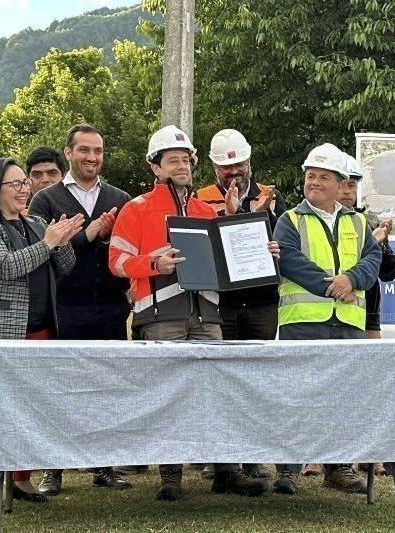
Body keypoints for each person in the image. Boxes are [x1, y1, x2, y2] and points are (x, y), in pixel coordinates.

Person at [108, 124, 273, 501]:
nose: (181, 166)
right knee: (168, 396)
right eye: (172, 160)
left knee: (218, 394)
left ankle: (226, 472)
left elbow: (231, 264)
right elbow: (116, 261)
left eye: (186, 159)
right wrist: (153, 263)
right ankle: (170, 476)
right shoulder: (136, 209)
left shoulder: (204, 210)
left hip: (209, 318)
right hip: (160, 318)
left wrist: (259, 249)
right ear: (155, 166)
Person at [0, 157, 83, 507]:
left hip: (42, 330)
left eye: (24, 183)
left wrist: (62, 241)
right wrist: (47, 243)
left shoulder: (34, 222)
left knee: (30, 409)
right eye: (15, 184)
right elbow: (3, 267)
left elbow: (64, 267)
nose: (24, 188)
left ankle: (21, 479)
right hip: (0, 334)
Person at [29, 124, 134, 495]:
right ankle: (53, 470)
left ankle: (103, 465)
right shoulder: (45, 200)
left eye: (98, 151)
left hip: (110, 307)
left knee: (107, 387)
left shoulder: (121, 198)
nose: (92, 158)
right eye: (84, 150)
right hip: (65, 308)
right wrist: (87, 235)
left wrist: (109, 240)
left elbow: (130, 250)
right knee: (60, 388)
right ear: (68, 152)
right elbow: (44, 248)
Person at [274, 143, 381, 494]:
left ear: (340, 184)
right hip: (303, 322)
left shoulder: (359, 221)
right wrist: (335, 286)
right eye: (310, 176)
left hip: (347, 324)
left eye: (323, 177)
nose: (314, 182)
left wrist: (352, 279)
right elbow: (290, 261)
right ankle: (287, 470)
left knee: (342, 397)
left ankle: (339, 467)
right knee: (295, 396)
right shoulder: (289, 220)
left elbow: (371, 260)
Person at [196, 128, 289, 487]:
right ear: (214, 168)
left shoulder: (271, 197)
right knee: (220, 380)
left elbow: (284, 241)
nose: (233, 174)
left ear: (249, 161)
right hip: (222, 302)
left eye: (238, 166)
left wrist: (268, 229)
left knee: (255, 381)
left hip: (263, 300)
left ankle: (251, 458)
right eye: (225, 169)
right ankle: (219, 460)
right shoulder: (202, 199)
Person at [337, 153, 395, 478]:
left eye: (353, 185)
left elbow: (388, 273)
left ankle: (371, 454)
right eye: (344, 184)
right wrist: (372, 245)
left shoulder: (369, 222)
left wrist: (383, 245)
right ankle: (321, 458)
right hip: (332, 313)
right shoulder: (325, 223)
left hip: (367, 315)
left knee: (369, 386)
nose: (349, 191)